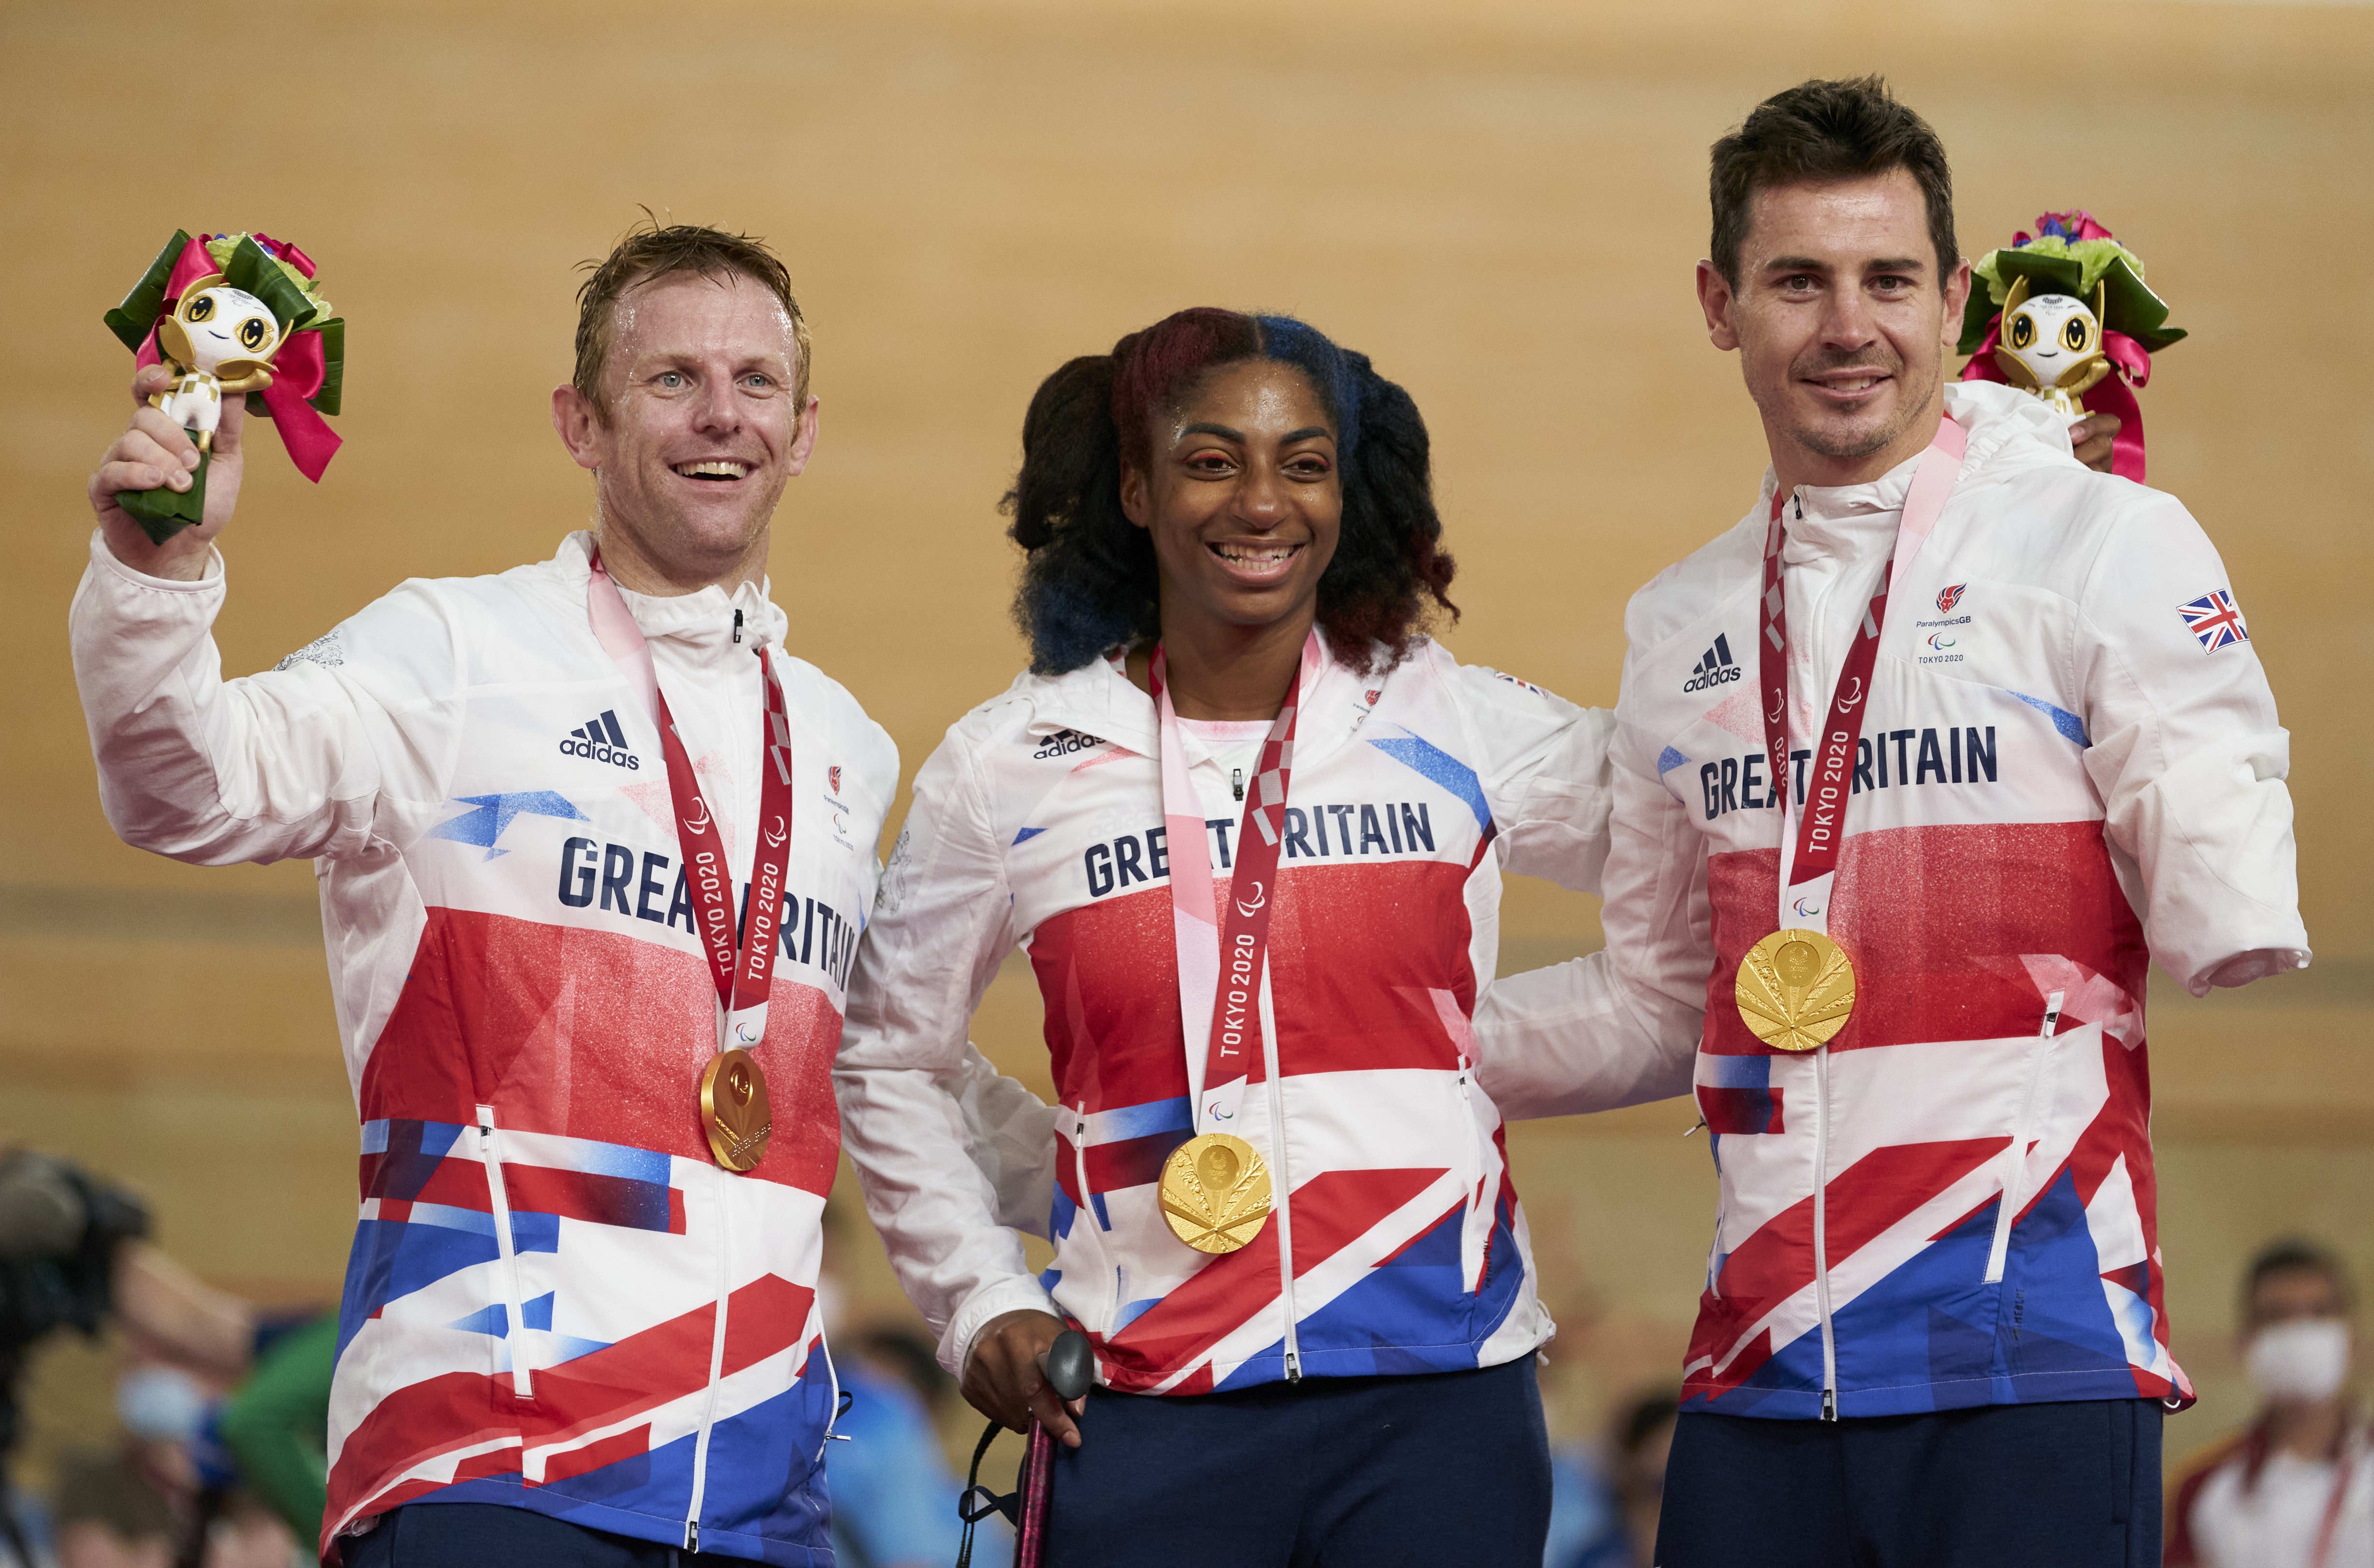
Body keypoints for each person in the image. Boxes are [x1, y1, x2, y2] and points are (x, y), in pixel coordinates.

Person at [70, 221, 1027, 1567]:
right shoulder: (453, 657)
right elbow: (185, 787)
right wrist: (155, 579)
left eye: (756, 383)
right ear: (579, 421)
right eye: (671, 378)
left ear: (805, 430)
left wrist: (1121, 1166)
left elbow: (879, 1062)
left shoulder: (841, 746)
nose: (721, 415)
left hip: (765, 1500)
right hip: (491, 1468)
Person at [1482, 77, 2309, 1567]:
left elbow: (2223, 862)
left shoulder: (2096, 540)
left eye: (1888, 279)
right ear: (1720, 305)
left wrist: (2225, 842)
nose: (1847, 325)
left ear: (1954, 301)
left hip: (2036, 1346)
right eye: (1798, 279)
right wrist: (1388, 1053)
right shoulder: (1679, 622)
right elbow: (1664, 1001)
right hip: (1763, 1356)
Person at [834, 307, 1673, 1565]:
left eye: (1302, 462)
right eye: (1211, 459)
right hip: (1144, 1404)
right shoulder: (1008, 761)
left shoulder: (1455, 718)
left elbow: (1716, 853)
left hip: (1438, 1397)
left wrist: (1446, 1059)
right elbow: (891, 1054)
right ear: (1136, 487)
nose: (1259, 502)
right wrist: (984, 1291)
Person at [2169, 1240, 2368, 1567]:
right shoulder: (2201, 1488)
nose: (2299, 1332)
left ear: (2352, 1338)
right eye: (2276, 1316)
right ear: (2244, 1343)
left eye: (2319, 1313)